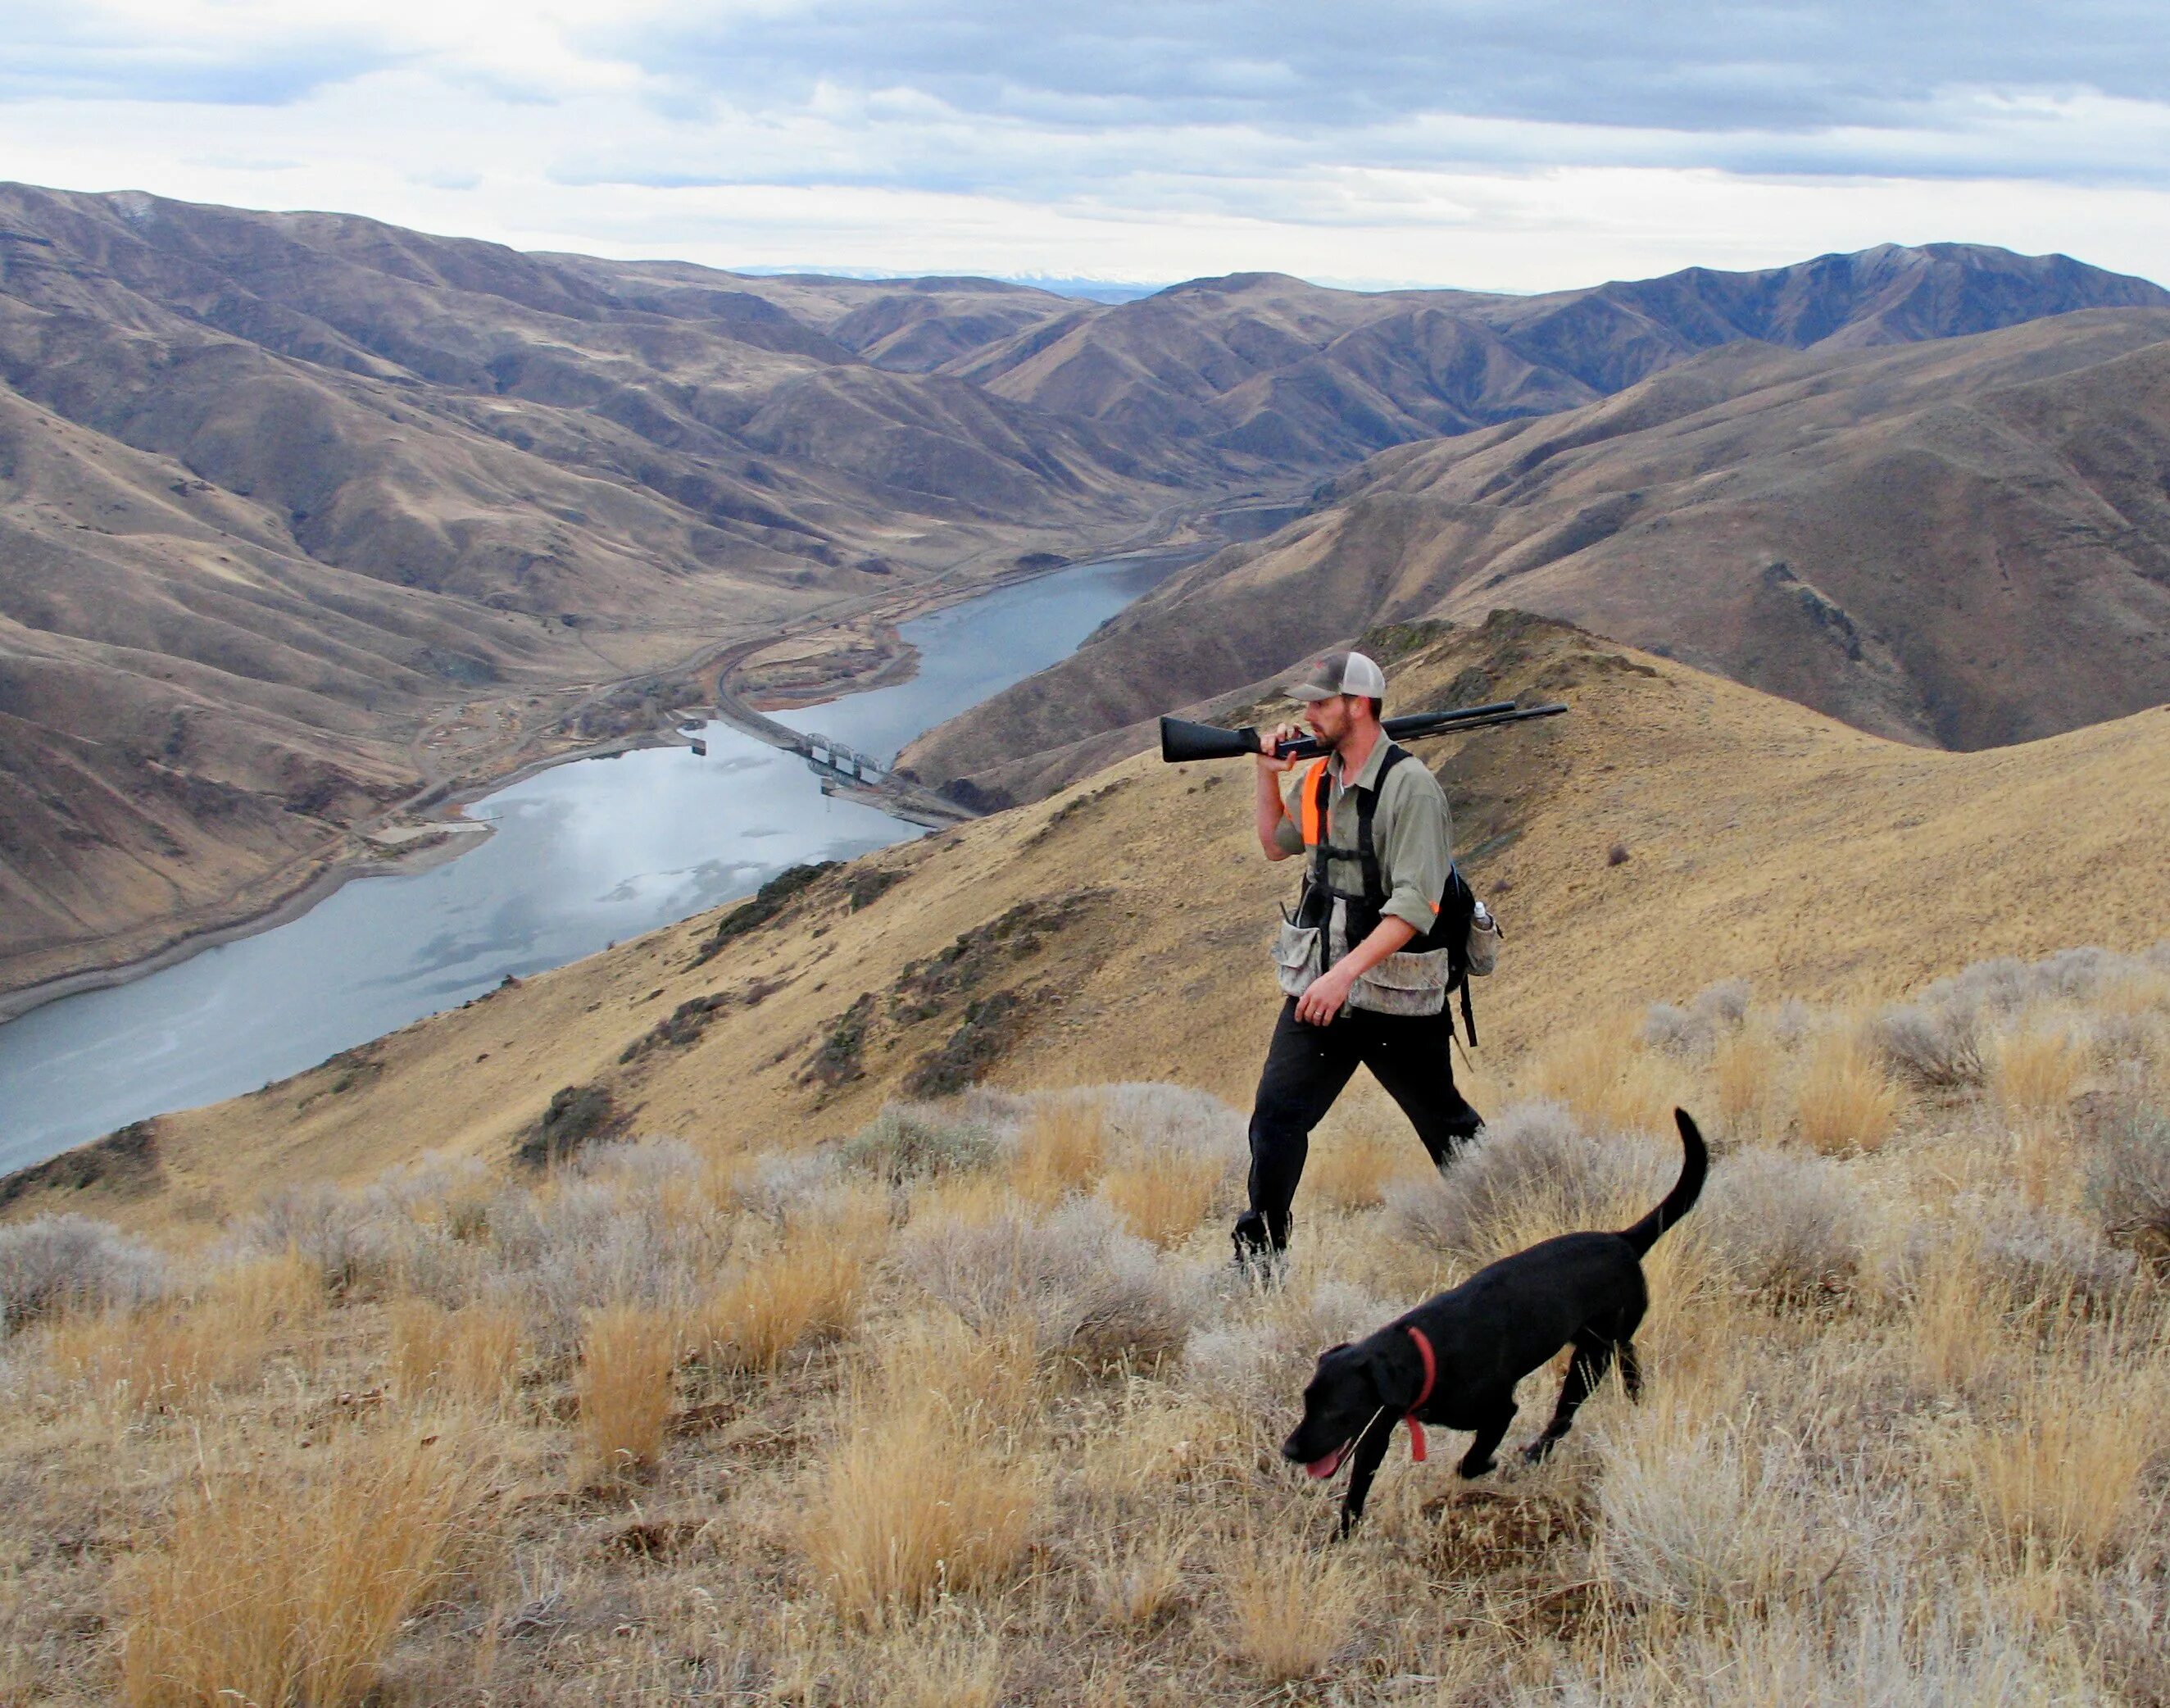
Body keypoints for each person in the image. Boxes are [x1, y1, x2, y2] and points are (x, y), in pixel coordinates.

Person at [1233, 649, 1483, 1274]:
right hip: (1324, 990)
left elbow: (1416, 905)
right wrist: (1267, 774)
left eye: (1321, 702)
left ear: (1359, 705)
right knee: (1275, 1121)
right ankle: (1260, 1263)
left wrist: (1345, 975)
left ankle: (1512, 1223)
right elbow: (1274, 845)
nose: (1309, 714)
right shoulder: (1319, 779)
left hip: (1396, 995)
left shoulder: (1412, 789)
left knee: (1447, 1128)